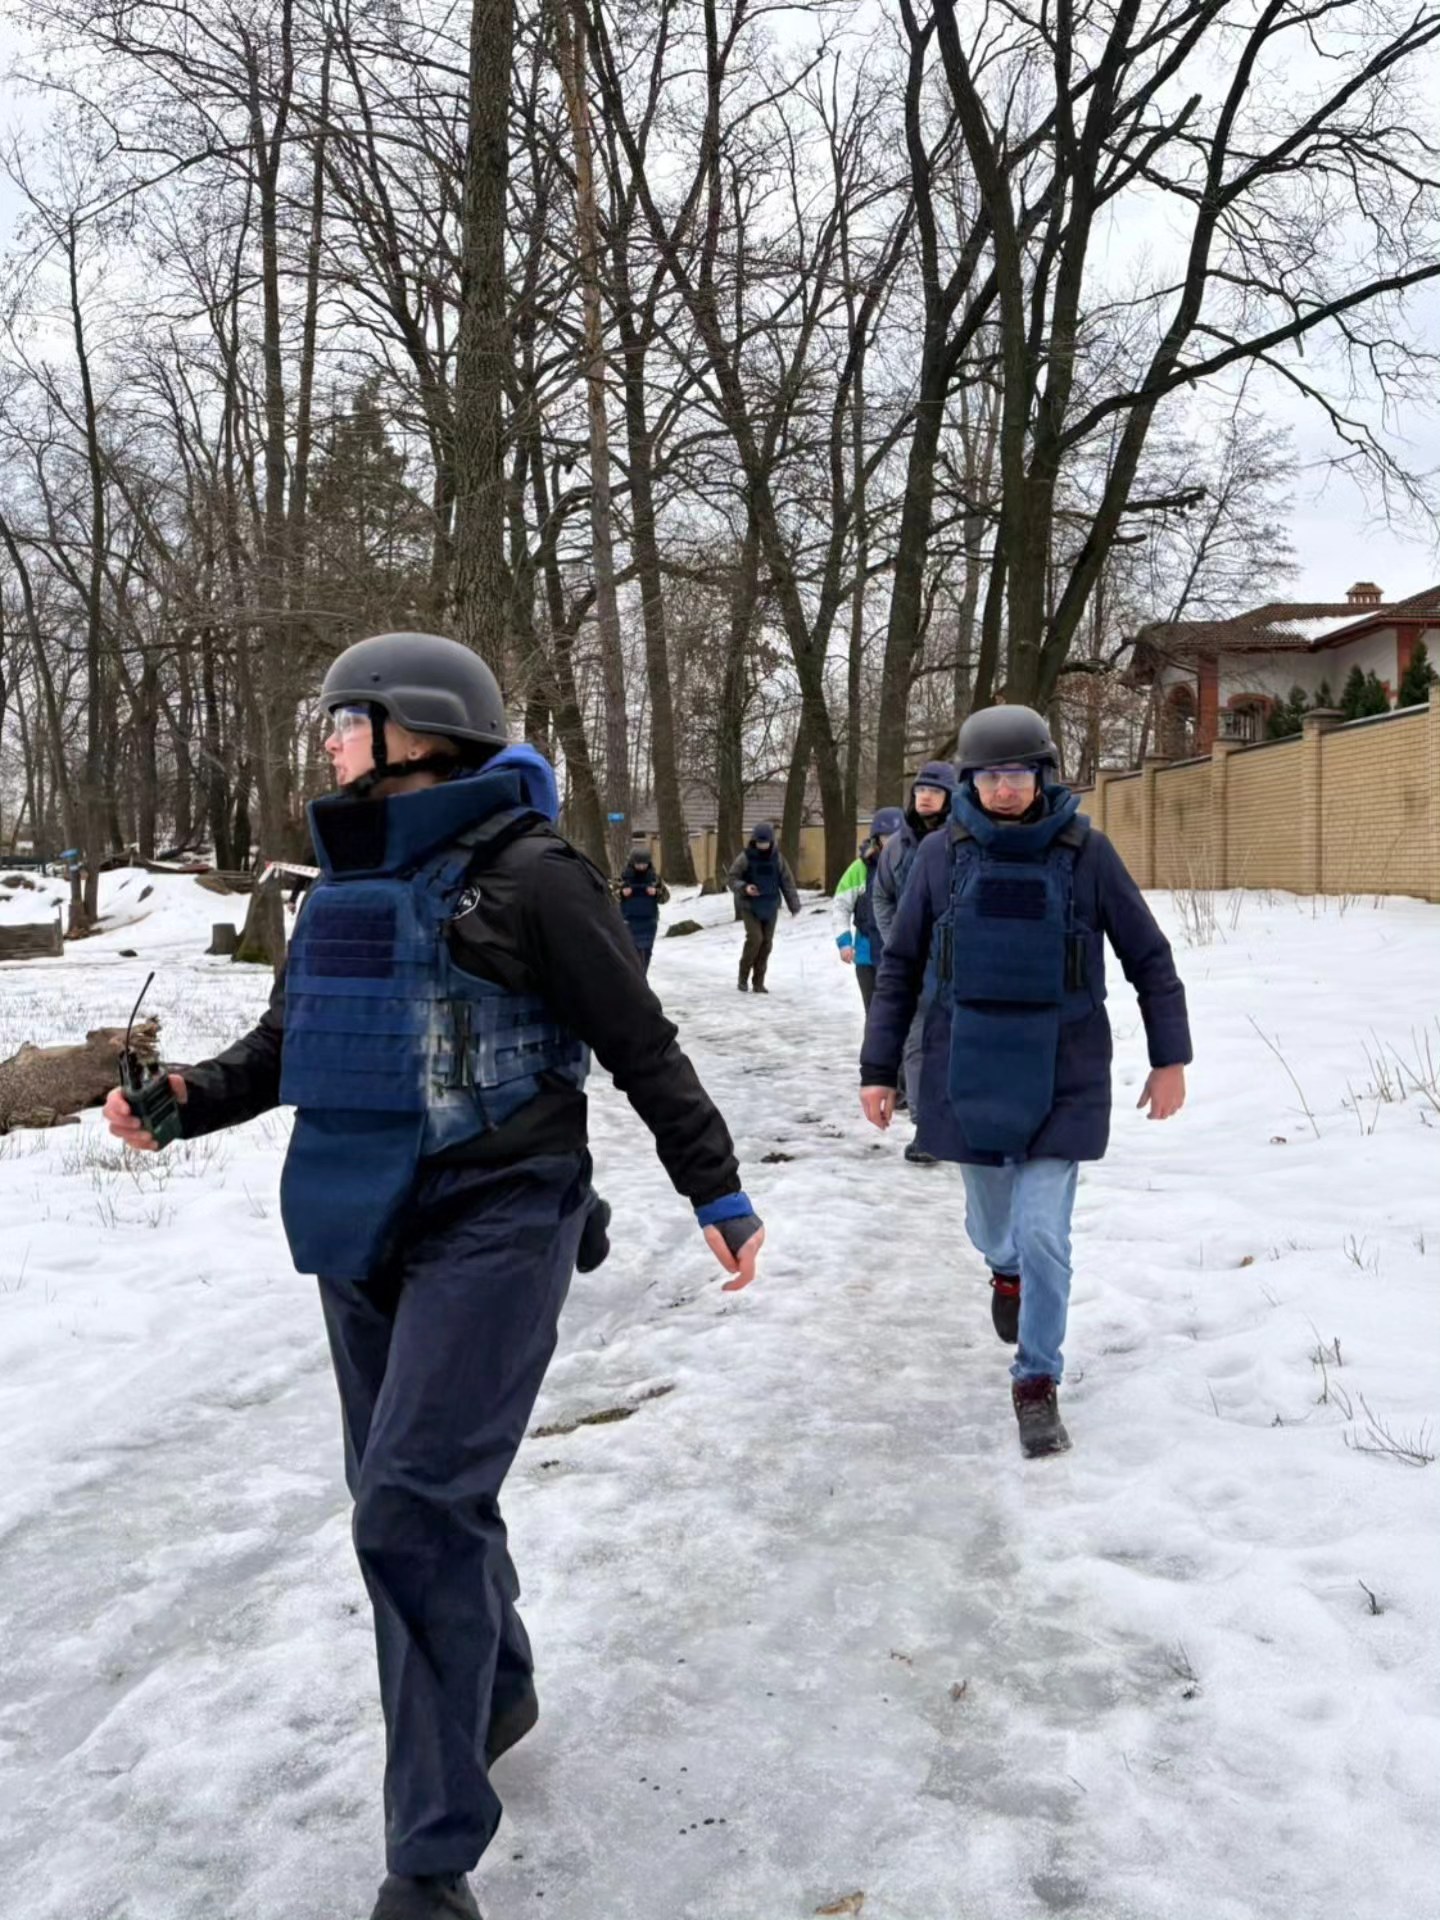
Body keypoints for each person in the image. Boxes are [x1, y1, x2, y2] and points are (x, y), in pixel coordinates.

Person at [103, 632, 765, 1920]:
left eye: (344, 719)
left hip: (502, 1216)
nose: (329, 742)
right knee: (418, 1496)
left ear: (415, 728)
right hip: (361, 1221)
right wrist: (185, 1100)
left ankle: (431, 1858)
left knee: (408, 1500)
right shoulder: (340, 885)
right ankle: (498, 1684)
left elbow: (638, 1040)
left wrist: (715, 1187)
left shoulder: (532, 873)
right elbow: (290, 1046)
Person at [859, 705, 1190, 1459]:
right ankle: (1002, 1273)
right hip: (963, 1065)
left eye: (1018, 775)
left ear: (1043, 776)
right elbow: (902, 966)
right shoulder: (942, 857)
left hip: (1063, 1067)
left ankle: (1037, 1380)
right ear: (972, 781)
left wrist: (1170, 1058)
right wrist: (879, 1070)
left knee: (1044, 1233)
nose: (1005, 790)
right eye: (990, 777)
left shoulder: (1086, 854)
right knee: (993, 1229)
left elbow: (1149, 957)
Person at [872, 761, 959, 1161]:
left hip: (960, 963)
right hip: (916, 966)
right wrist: (897, 942)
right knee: (917, 1042)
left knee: (962, 1042)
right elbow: (881, 896)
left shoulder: (965, 841)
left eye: (934, 791)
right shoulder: (898, 847)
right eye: (919, 790)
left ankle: (963, 1121)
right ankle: (927, 1130)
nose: (923, 796)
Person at [830, 807, 905, 1013]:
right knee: (874, 1016)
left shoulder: (915, 865)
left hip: (903, 955)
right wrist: (844, 943)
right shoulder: (858, 869)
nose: (890, 841)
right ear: (876, 838)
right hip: (867, 955)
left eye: (896, 836)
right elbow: (841, 906)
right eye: (885, 836)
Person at [726, 820, 801, 993]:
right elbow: (731, 879)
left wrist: (794, 905)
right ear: (754, 841)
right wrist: (745, 887)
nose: (762, 846)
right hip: (749, 905)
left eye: (765, 843)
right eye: (759, 843)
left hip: (770, 905)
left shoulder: (778, 859)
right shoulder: (745, 857)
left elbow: (787, 882)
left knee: (766, 944)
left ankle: (758, 982)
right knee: (755, 939)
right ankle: (742, 977)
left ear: (772, 842)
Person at [613, 841, 670, 973]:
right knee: (631, 953)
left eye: (644, 864)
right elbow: (610, 897)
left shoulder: (655, 879)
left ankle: (642, 977)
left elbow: (665, 898)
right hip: (628, 921)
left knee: (646, 952)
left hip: (649, 922)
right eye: (639, 864)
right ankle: (634, 979)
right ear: (633, 863)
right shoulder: (622, 878)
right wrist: (621, 893)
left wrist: (656, 893)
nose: (641, 867)